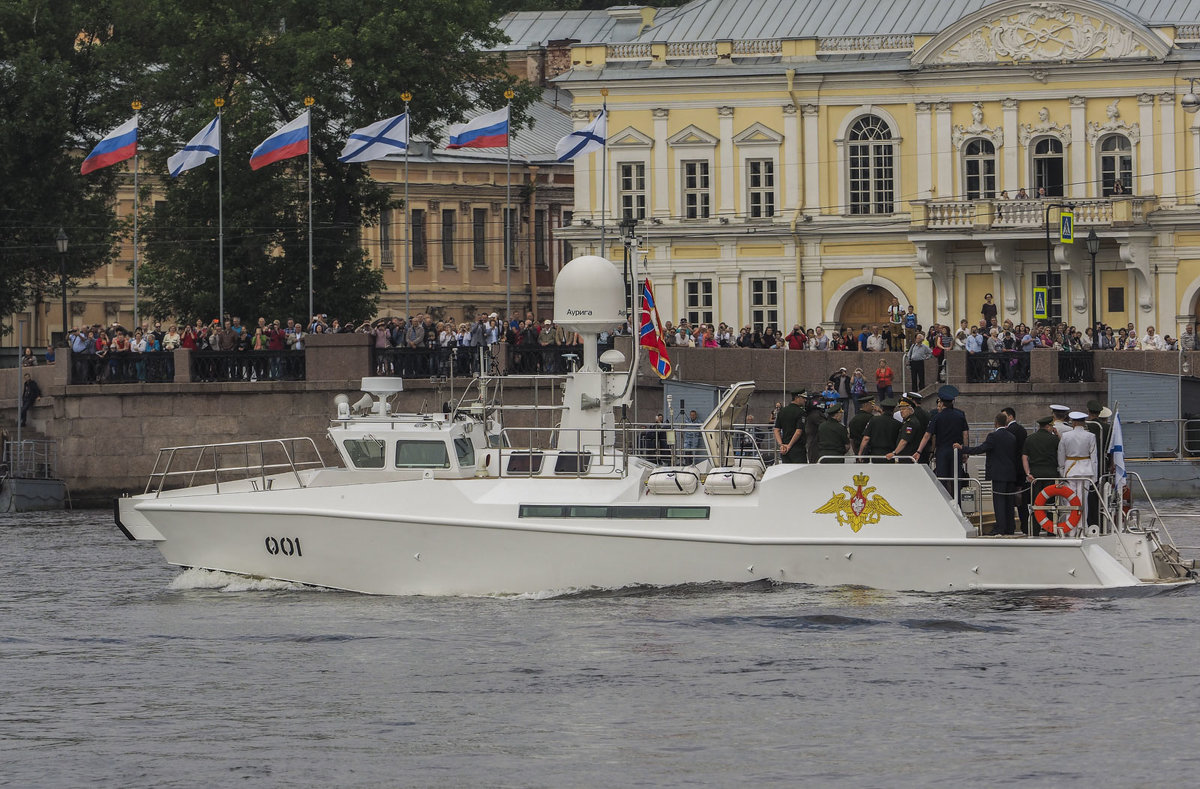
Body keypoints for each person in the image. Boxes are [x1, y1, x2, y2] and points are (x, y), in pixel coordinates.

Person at [958, 413, 1020, 536]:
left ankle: (1000, 528)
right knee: (1009, 502)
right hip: (1011, 474)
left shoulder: (993, 436)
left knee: (999, 502)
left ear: (996, 423)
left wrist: (963, 448)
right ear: (1006, 423)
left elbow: (980, 449)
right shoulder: (1012, 437)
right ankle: (1010, 528)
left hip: (998, 474)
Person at [913, 385, 970, 497]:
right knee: (956, 480)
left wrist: (919, 451)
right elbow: (965, 435)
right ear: (953, 401)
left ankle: (945, 504)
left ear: (941, 402)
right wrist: (965, 451)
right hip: (956, 450)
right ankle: (957, 505)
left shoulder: (937, 417)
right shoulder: (960, 416)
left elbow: (927, 435)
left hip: (942, 451)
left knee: (942, 480)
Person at [1057, 410, 1098, 529]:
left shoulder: (1065, 436)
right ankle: (1082, 526)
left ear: (1073, 422)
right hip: (1085, 471)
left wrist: (1061, 470)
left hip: (1070, 470)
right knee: (1083, 501)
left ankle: (1071, 527)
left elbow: (1061, 454)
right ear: (1084, 422)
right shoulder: (1090, 436)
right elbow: (1094, 457)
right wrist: (1094, 476)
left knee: (1070, 500)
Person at [1002, 407, 1029, 532]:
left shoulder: (1009, 431)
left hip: (1011, 471)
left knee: (1009, 500)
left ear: (1011, 417)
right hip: (1022, 470)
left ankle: (1009, 526)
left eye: (1004, 416)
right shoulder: (1022, 430)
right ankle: (1025, 525)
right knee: (1022, 501)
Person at [773, 390, 807, 464]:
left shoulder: (782, 411)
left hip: (784, 449)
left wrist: (781, 445)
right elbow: (798, 431)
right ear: (797, 398)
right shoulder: (801, 412)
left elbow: (776, 430)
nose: (805, 400)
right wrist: (789, 445)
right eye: (803, 398)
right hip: (797, 448)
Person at [886, 397, 923, 462]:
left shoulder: (910, 423)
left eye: (904, 409)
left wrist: (894, 453)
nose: (901, 411)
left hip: (908, 456)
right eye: (900, 409)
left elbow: (904, 441)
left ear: (910, 409)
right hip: (905, 456)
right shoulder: (907, 421)